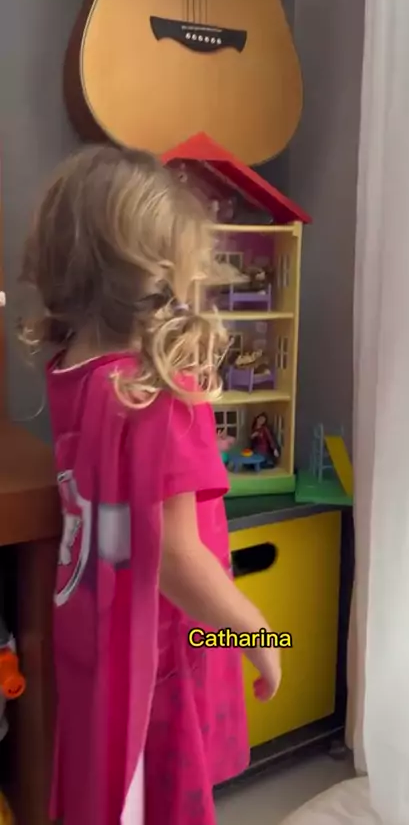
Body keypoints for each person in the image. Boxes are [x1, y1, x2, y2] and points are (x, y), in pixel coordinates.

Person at [18, 146, 281, 825]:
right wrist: (255, 632)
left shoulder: (74, 369)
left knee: (114, 787)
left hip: (97, 630)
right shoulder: (155, 393)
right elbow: (173, 555)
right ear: (159, 278)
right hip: (162, 644)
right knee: (161, 791)